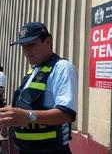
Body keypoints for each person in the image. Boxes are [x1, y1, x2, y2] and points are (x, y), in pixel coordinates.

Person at [0, 22, 78, 154]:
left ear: (48, 42)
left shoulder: (62, 68)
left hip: (51, 150)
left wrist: (29, 116)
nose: (26, 50)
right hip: (25, 149)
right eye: (23, 46)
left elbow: (67, 114)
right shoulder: (34, 70)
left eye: (31, 44)